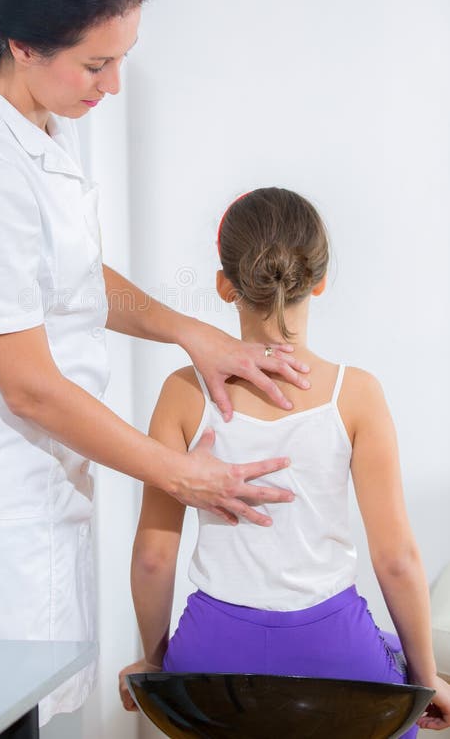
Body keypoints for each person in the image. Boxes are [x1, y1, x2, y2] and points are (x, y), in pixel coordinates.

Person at [0, 0, 311, 726]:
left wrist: (190, 333)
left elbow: (66, 281)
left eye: (123, 59)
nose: (115, 86)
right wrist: (181, 475)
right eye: (97, 65)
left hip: (37, 498)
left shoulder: (34, 133)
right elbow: (29, 388)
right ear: (22, 46)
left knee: (20, 706)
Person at [119, 188, 450, 733]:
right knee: (393, 680)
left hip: (212, 650)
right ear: (318, 280)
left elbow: (154, 558)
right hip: (332, 644)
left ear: (225, 285)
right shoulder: (357, 394)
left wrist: (156, 663)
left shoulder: (183, 393)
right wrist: (426, 677)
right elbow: (396, 561)